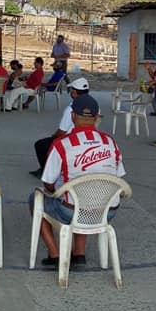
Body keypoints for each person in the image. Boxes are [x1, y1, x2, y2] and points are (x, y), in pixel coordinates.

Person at [31, 94, 125, 268]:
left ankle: (55, 254)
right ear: (97, 118)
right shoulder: (110, 142)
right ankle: (79, 253)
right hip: (107, 211)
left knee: (36, 199)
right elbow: (118, 176)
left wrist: (56, 190)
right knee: (84, 196)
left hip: (72, 211)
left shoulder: (61, 144)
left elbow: (48, 182)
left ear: (73, 116)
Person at [31, 77, 90, 178]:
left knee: (40, 145)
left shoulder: (71, 109)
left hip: (71, 139)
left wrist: (53, 136)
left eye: (71, 90)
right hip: (87, 136)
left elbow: (61, 132)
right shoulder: (94, 106)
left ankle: (46, 172)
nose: (70, 92)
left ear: (74, 92)